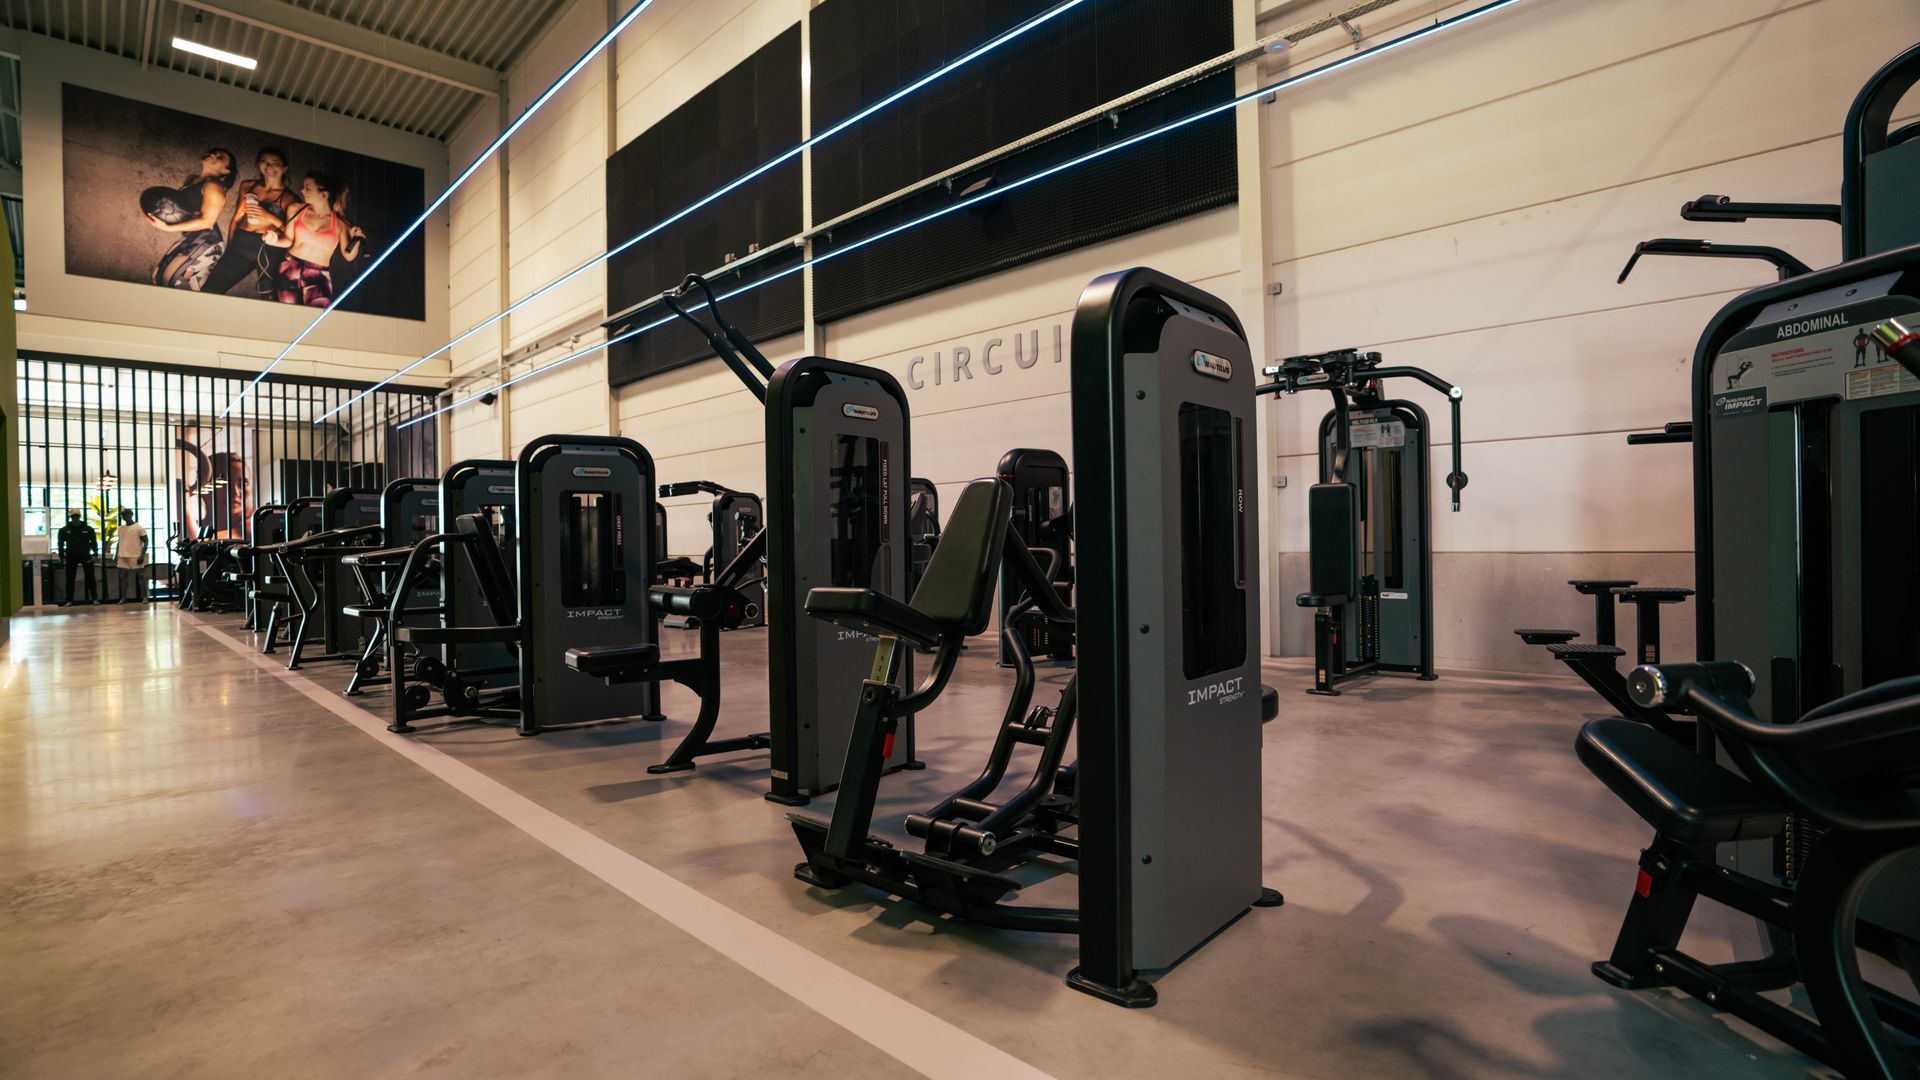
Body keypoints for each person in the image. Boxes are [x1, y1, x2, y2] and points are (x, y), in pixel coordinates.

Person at [199, 148, 300, 298]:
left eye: (275, 163)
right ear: (258, 165)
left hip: (268, 249)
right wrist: (230, 247)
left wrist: (270, 218)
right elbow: (236, 219)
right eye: (264, 161)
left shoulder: (290, 198)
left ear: (284, 168)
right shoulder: (247, 186)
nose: (269, 166)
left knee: (269, 297)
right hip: (241, 243)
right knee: (211, 290)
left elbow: (292, 236)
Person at [263, 172, 363, 308]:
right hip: (290, 266)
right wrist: (274, 240)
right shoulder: (295, 210)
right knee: (285, 315)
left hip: (319, 274)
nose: (302, 190)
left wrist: (356, 239)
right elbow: (288, 240)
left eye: (307, 188)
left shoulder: (341, 223)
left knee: (315, 319)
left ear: (324, 194)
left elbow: (349, 255)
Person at [143, 148, 237, 290]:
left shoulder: (213, 186)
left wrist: (167, 227)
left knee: (172, 282)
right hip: (190, 237)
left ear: (225, 171)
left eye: (220, 157)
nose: (213, 155)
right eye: (213, 152)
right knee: (158, 277)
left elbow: (207, 222)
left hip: (207, 240)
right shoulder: (191, 179)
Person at [56, 510, 99, 606]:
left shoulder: (88, 529)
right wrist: (61, 557)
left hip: (85, 555)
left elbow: (93, 543)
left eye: (77, 516)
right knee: (70, 578)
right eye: (73, 516)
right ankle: (69, 600)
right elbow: (60, 545)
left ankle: (95, 598)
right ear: (70, 517)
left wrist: (95, 554)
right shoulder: (64, 530)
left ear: (79, 516)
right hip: (71, 556)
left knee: (90, 577)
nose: (75, 518)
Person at [116, 510, 150, 604]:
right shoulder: (121, 528)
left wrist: (142, 554)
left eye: (126, 515)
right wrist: (116, 554)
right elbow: (120, 541)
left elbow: (146, 541)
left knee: (140, 576)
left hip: (135, 554)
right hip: (122, 555)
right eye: (122, 515)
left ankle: (145, 597)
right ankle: (123, 598)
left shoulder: (139, 528)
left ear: (131, 515)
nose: (124, 517)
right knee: (122, 576)